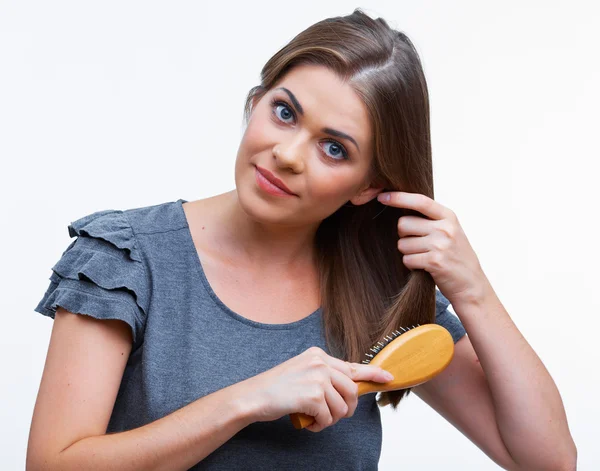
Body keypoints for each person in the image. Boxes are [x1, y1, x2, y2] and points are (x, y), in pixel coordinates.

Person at [26, 8, 576, 471]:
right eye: (284, 112)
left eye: (333, 148)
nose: (287, 155)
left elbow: (548, 461)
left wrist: (474, 290)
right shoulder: (126, 258)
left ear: (370, 187)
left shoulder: (381, 298)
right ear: (256, 99)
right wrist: (245, 401)